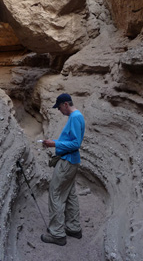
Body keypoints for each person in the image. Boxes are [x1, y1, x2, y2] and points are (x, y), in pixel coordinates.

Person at [41, 93, 85, 246]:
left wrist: (55, 145)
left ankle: (57, 234)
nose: (59, 111)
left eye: (59, 107)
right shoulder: (77, 116)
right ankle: (73, 228)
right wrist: (55, 141)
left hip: (67, 162)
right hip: (72, 161)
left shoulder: (74, 117)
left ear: (66, 104)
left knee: (55, 193)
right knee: (70, 194)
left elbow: (75, 144)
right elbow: (70, 141)